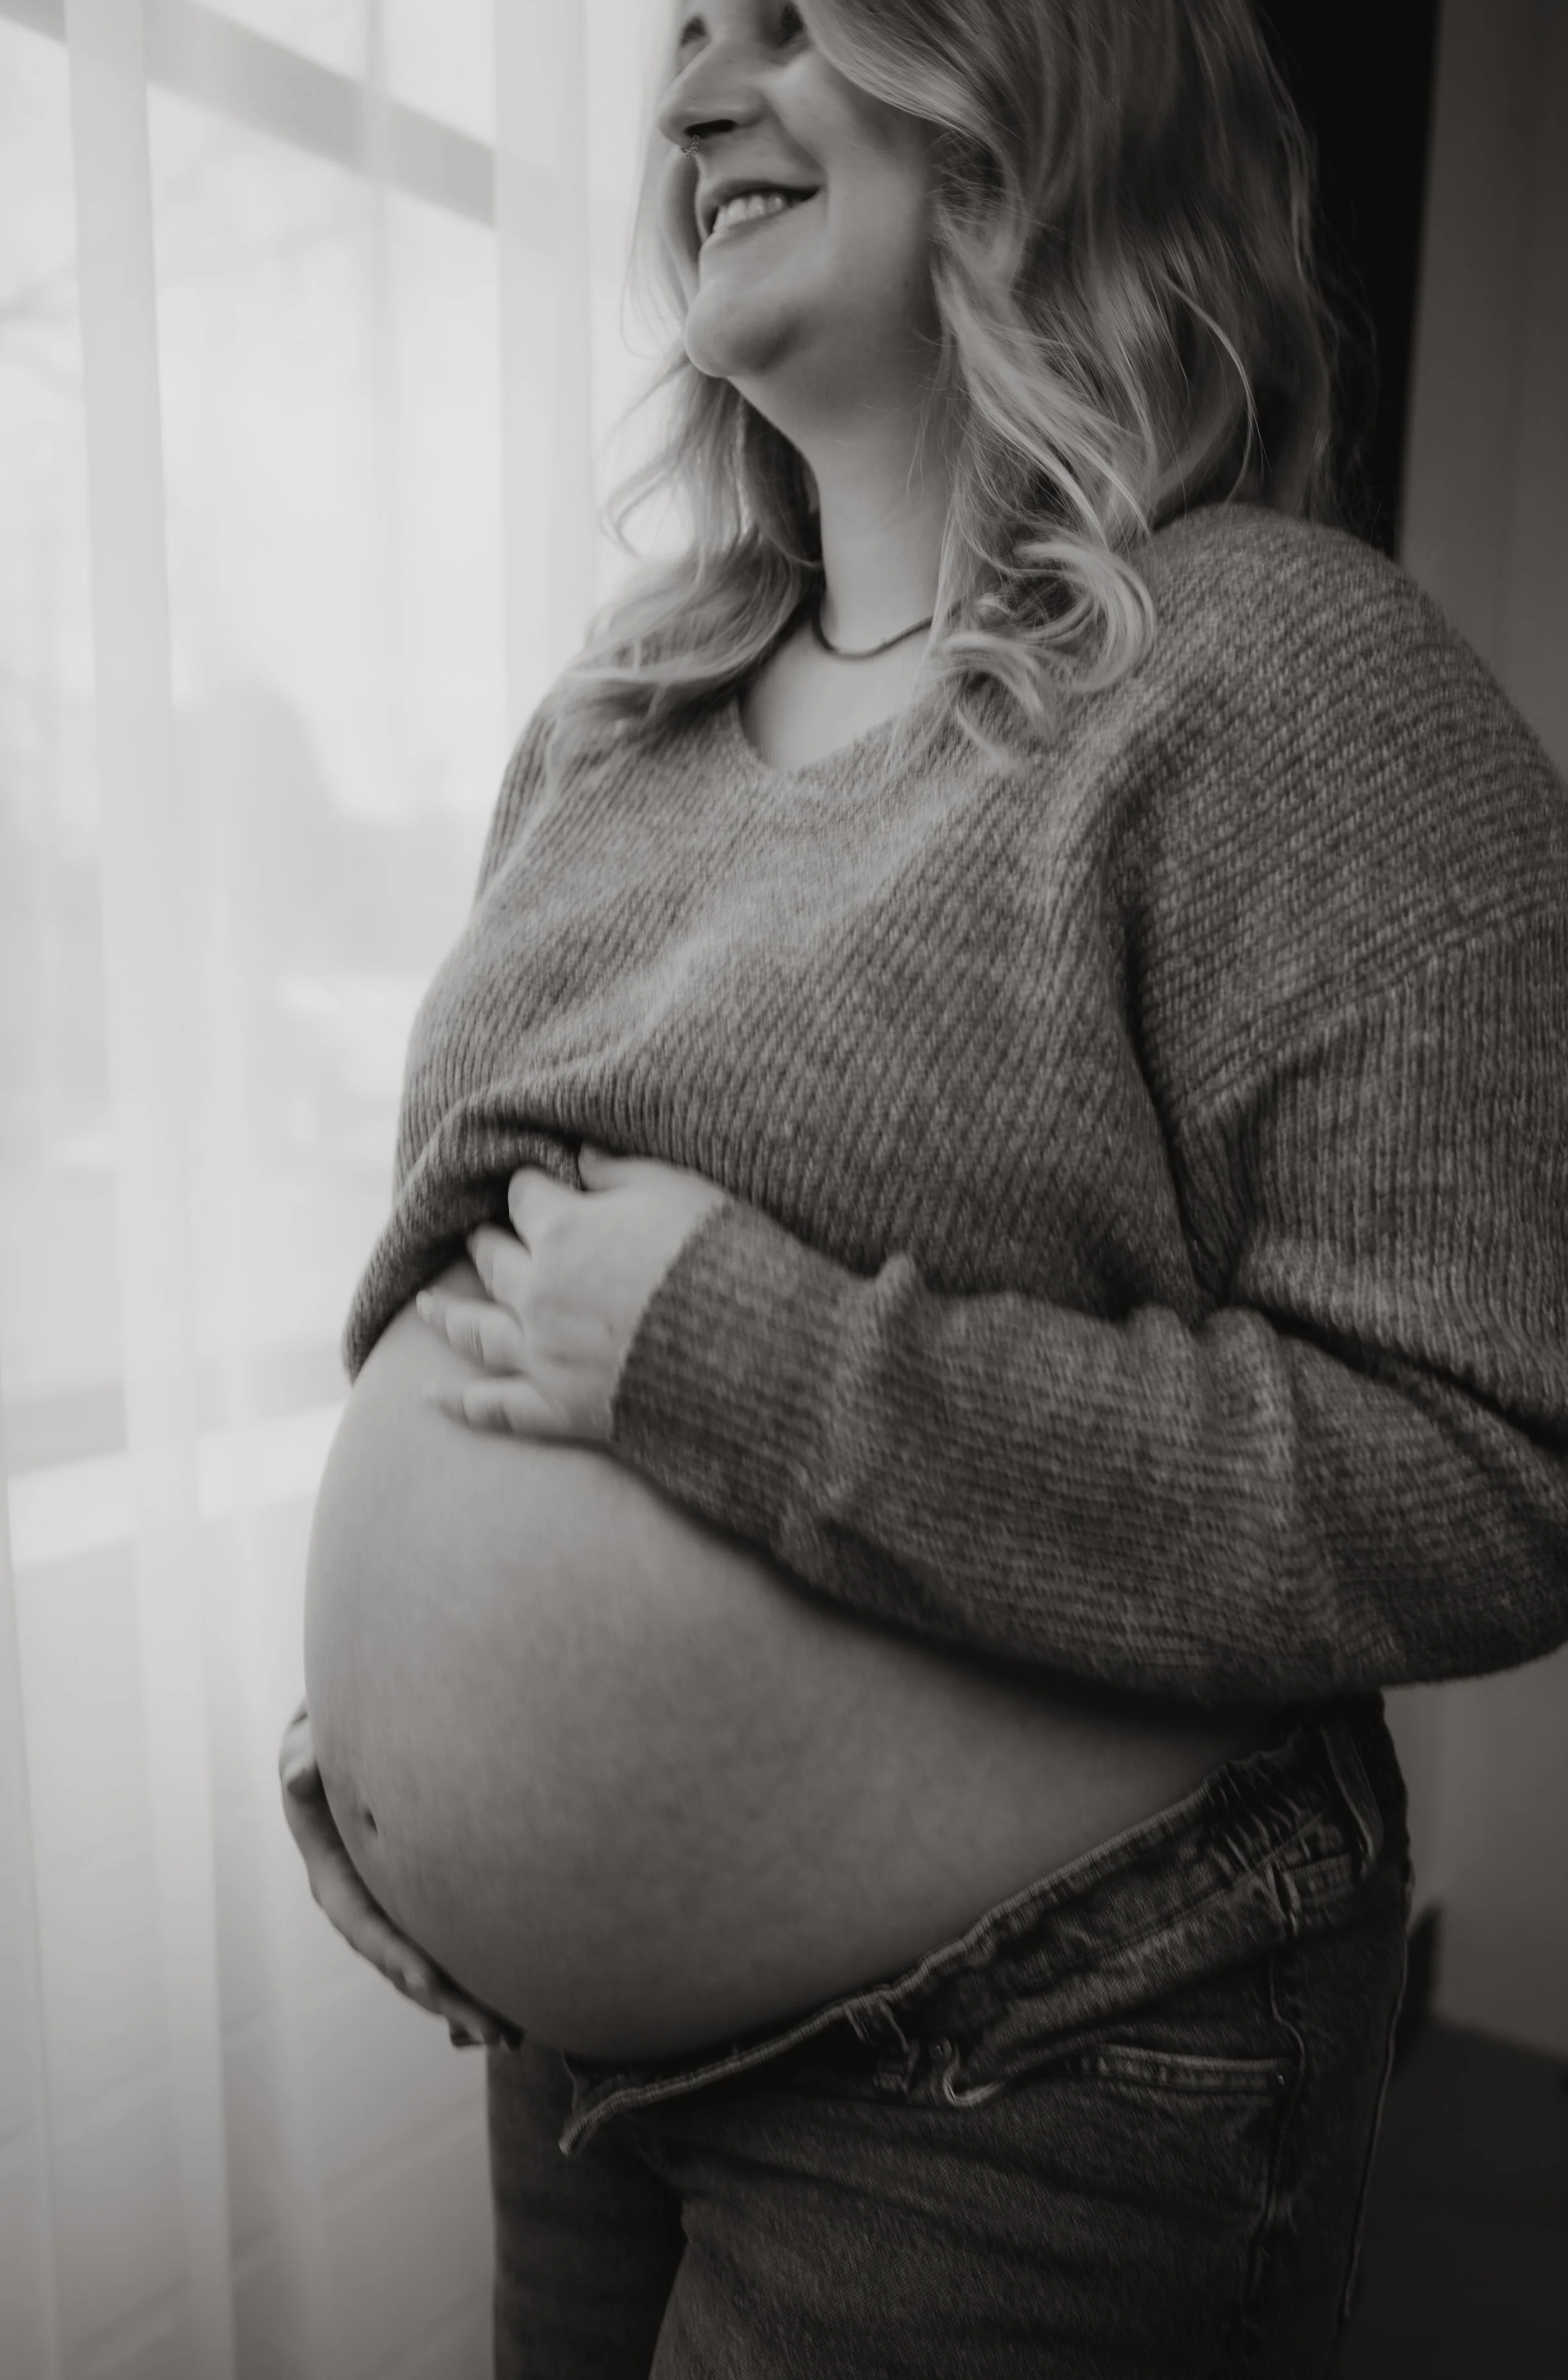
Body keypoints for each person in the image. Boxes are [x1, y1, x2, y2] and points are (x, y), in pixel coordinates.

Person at [280, 0, 1568, 2370]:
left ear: (1032, 74)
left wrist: (749, 1367)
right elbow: (471, 1295)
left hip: (1036, 2063)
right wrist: (379, 1765)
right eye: (682, 39)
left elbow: (1493, 1462)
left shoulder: (1281, 679)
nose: (686, 97)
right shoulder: (616, 716)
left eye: (791, 23)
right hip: (567, 2060)